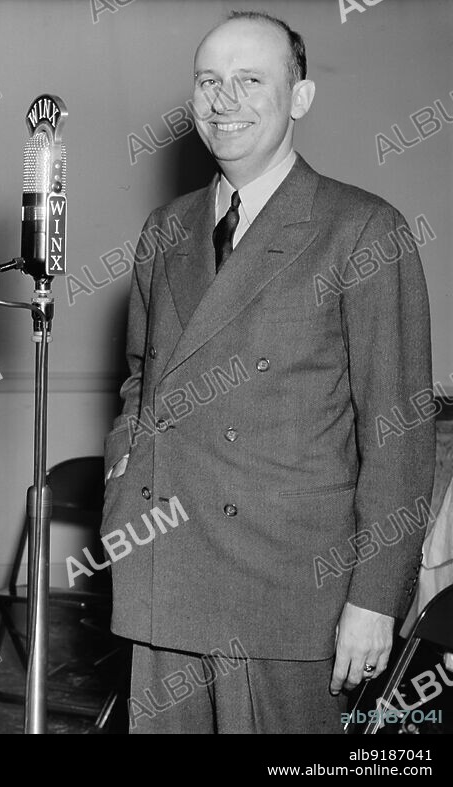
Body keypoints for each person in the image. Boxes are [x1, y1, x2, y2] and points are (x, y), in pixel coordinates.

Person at [102, 10, 434, 733]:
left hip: (291, 592)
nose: (225, 101)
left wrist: (375, 598)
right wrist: (122, 481)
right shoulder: (167, 228)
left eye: (251, 80)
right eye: (209, 81)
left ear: (301, 97)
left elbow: (397, 433)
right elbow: (140, 381)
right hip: (166, 572)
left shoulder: (362, 229)